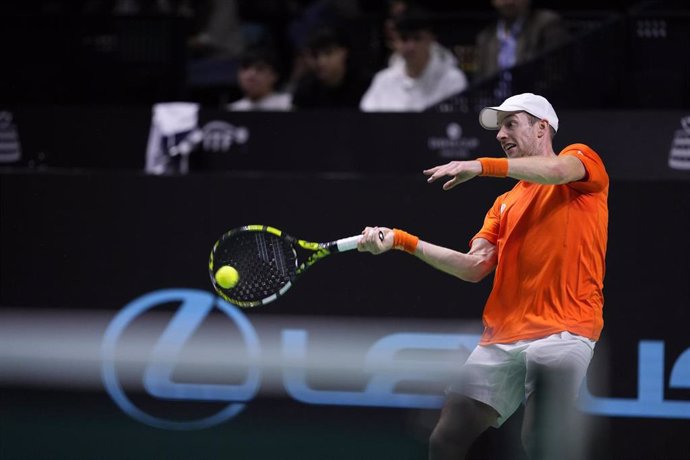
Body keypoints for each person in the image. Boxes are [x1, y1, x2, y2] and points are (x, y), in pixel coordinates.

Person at [358, 93, 608, 459]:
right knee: (445, 439)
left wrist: (479, 166)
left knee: (539, 441)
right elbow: (473, 267)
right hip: (502, 336)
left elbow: (554, 172)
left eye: (511, 124)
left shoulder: (581, 161)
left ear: (542, 128)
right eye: (499, 127)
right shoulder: (503, 204)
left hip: (565, 330)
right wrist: (402, 241)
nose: (500, 134)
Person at [359, 9, 468, 112]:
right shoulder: (383, 80)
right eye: (404, 39)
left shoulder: (452, 80)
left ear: (430, 39)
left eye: (417, 38)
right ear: (395, 41)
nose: (411, 46)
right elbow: (367, 121)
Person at [474, 0, 571, 83]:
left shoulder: (547, 24)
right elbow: (481, 81)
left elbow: (558, 72)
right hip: (495, 102)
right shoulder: (486, 37)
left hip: (534, 100)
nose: (509, 1)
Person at [291, 27, 372, 110]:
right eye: (315, 55)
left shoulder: (367, 86)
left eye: (328, 53)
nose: (321, 62)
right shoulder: (305, 91)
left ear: (344, 52)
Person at [227, 47, 292, 111]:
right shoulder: (233, 109)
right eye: (245, 68)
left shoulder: (288, 105)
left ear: (274, 76)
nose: (251, 74)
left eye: (260, 69)